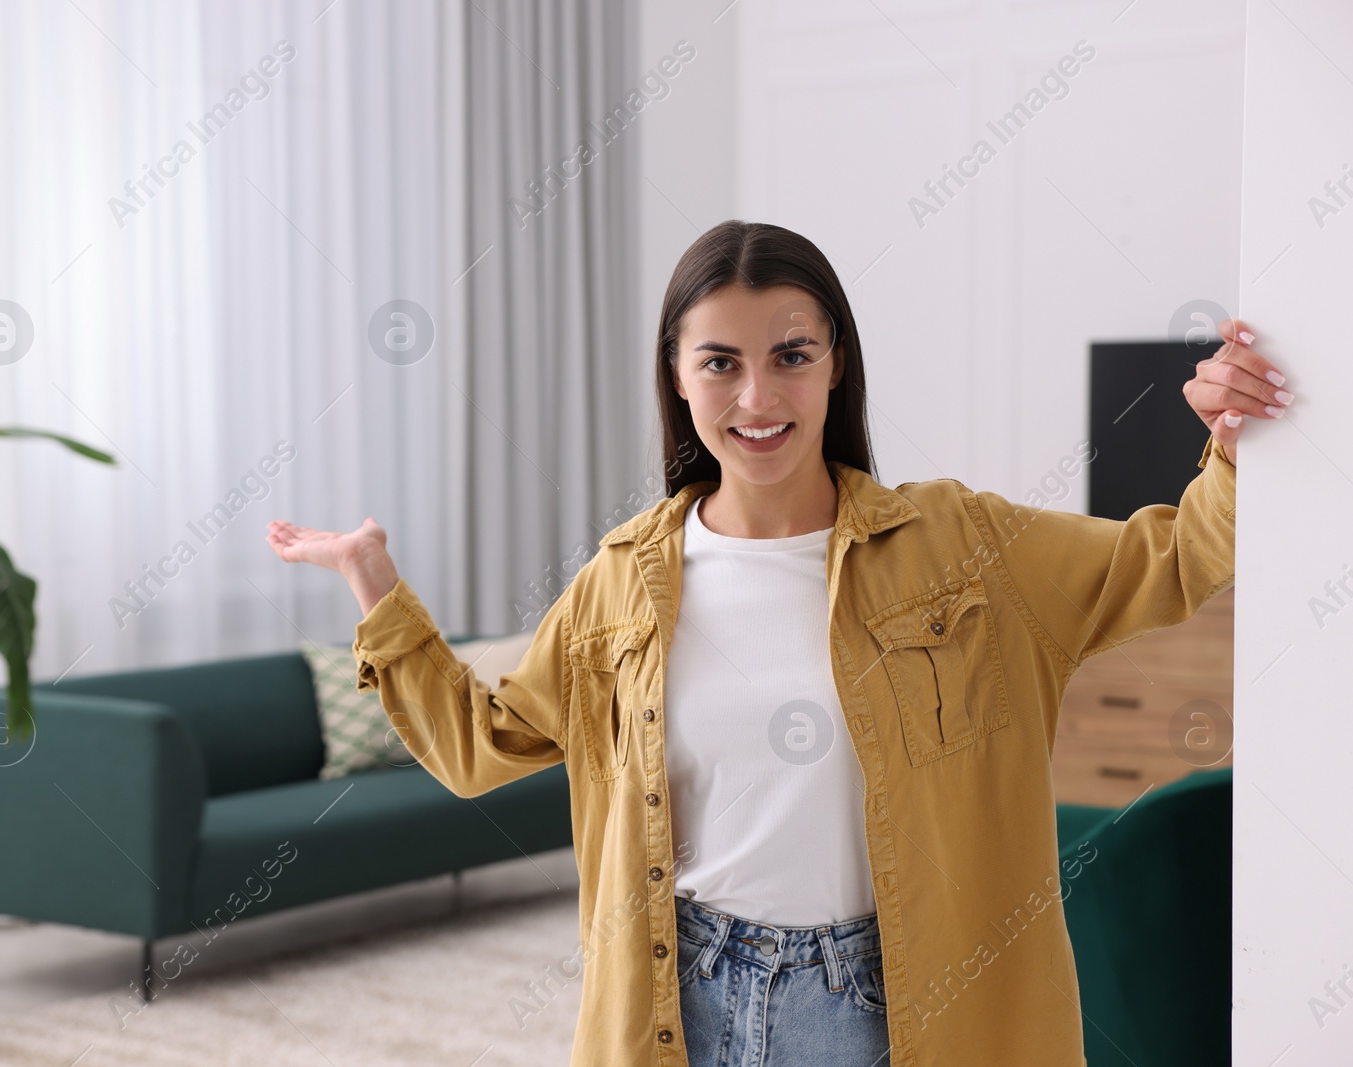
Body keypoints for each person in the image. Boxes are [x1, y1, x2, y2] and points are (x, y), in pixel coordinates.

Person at [266, 220, 1286, 1066]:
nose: (757, 397)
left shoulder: (962, 545)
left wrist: (1231, 444)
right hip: (682, 996)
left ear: (834, 364)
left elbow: (1173, 558)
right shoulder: (621, 578)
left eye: (791, 355)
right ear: (677, 373)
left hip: (887, 1001)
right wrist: (375, 584)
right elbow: (479, 742)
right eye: (720, 361)